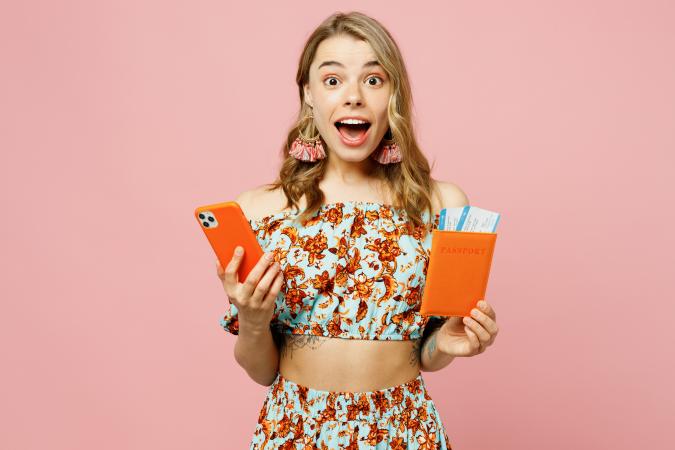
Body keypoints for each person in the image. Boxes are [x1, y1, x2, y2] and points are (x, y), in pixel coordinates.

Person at [216, 11, 499, 449]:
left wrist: (445, 342)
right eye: (332, 81)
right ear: (308, 94)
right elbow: (262, 370)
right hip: (295, 431)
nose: (353, 97)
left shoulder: (441, 205)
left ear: (394, 94)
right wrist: (253, 320)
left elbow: (425, 355)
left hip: (403, 430)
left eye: (373, 79)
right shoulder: (259, 210)